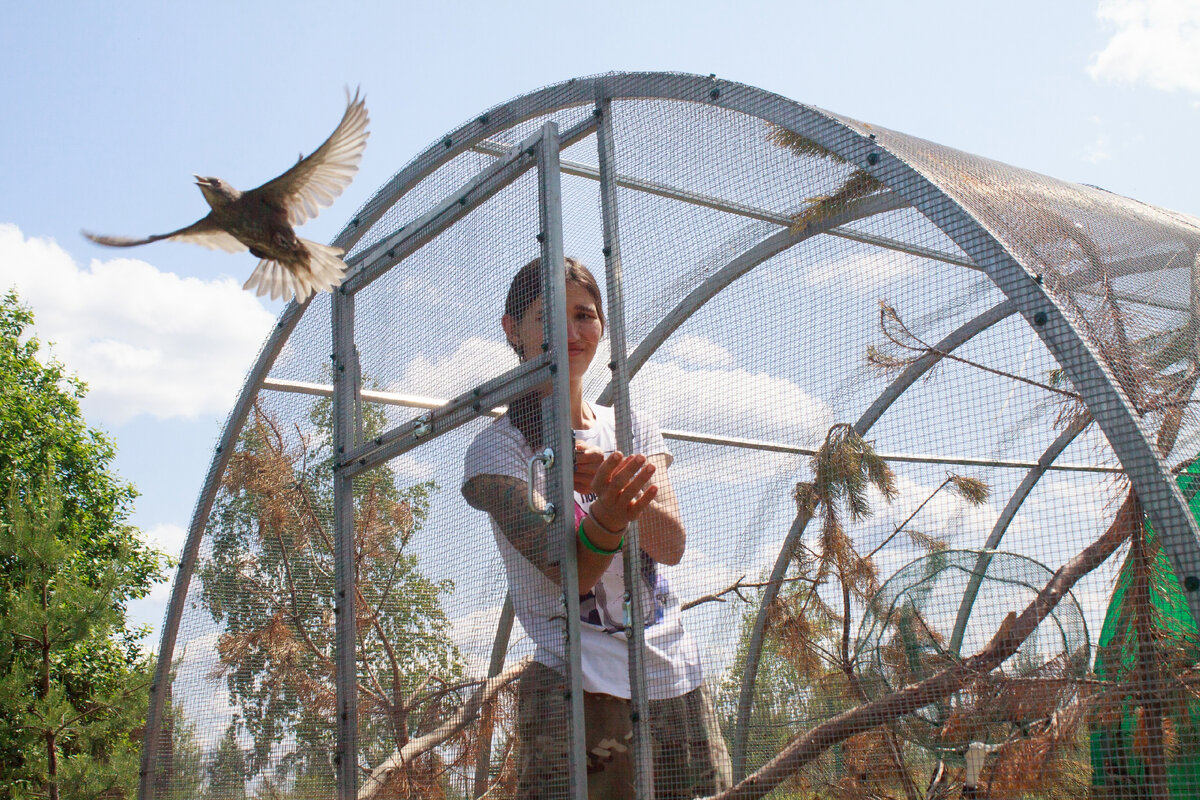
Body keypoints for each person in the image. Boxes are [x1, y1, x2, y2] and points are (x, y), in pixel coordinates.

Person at [462, 257, 733, 799]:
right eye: (547, 317)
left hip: (672, 676)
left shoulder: (630, 425)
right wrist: (610, 508)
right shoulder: (500, 448)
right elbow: (573, 572)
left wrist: (616, 480)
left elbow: (671, 544)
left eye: (584, 315)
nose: (571, 331)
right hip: (578, 690)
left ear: (603, 327)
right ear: (513, 330)